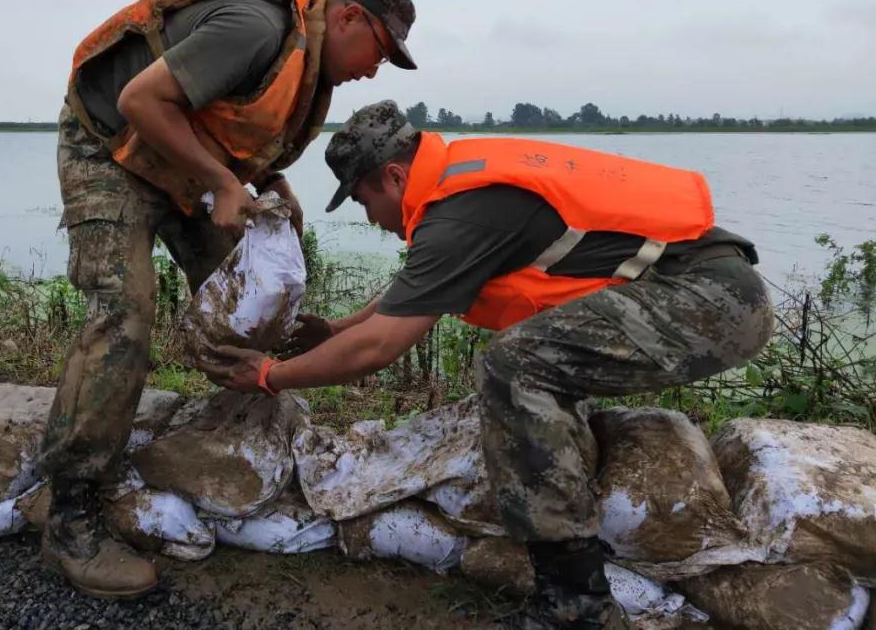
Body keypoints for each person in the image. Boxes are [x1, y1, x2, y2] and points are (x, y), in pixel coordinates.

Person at [200, 100, 774, 628]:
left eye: (364, 199)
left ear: (394, 176)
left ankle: (576, 605)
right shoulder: (459, 189)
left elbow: (379, 349)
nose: (371, 218)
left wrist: (269, 376)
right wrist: (337, 330)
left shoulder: (462, 211)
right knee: (532, 364)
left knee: (517, 365)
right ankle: (573, 547)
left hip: (707, 300)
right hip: (702, 287)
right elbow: (417, 291)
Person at [41, 0, 417, 599]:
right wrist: (220, 184)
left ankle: (243, 429)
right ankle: (70, 511)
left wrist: (271, 183)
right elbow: (139, 100)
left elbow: (228, 124)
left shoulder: (308, 68)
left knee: (250, 297)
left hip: (175, 161)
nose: (374, 70)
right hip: (110, 152)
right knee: (125, 315)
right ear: (349, 17)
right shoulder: (255, 26)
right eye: (379, 51)